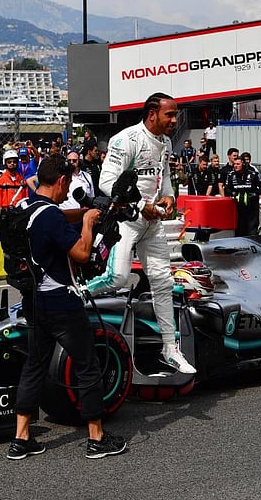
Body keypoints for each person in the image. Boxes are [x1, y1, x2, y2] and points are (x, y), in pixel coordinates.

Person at [8, 155, 128, 461]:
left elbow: (56, 220)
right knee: (88, 366)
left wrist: (84, 212)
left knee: (34, 365)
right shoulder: (51, 217)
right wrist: (88, 223)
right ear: (61, 180)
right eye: (67, 185)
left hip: (34, 299)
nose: (67, 191)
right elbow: (83, 254)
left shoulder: (24, 207)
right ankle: (96, 438)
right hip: (62, 301)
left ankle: (21, 438)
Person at [86, 92, 196, 374]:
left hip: (153, 223)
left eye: (176, 114)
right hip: (126, 219)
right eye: (169, 115)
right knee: (118, 277)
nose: (175, 119)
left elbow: (165, 178)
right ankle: (76, 296)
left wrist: (170, 197)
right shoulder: (126, 139)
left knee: (162, 282)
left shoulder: (166, 142)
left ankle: (170, 348)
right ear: (151, 113)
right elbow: (106, 181)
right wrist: (139, 205)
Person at [226, 157, 261, 236]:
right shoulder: (231, 174)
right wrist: (233, 193)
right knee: (239, 230)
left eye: (238, 164)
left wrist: (255, 194)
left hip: (252, 208)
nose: (235, 166)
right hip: (238, 208)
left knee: (252, 230)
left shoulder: (253, 174)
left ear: (243, 164)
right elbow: (227, 188)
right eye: (234, 164)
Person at [0, 149, 28, 215]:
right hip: (6, 213)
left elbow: (25, 196)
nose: (12, 163)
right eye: (9, 162)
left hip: (20, 212)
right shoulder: (0, 180)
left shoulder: (22, 179)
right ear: (5, 163)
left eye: (14, 162)